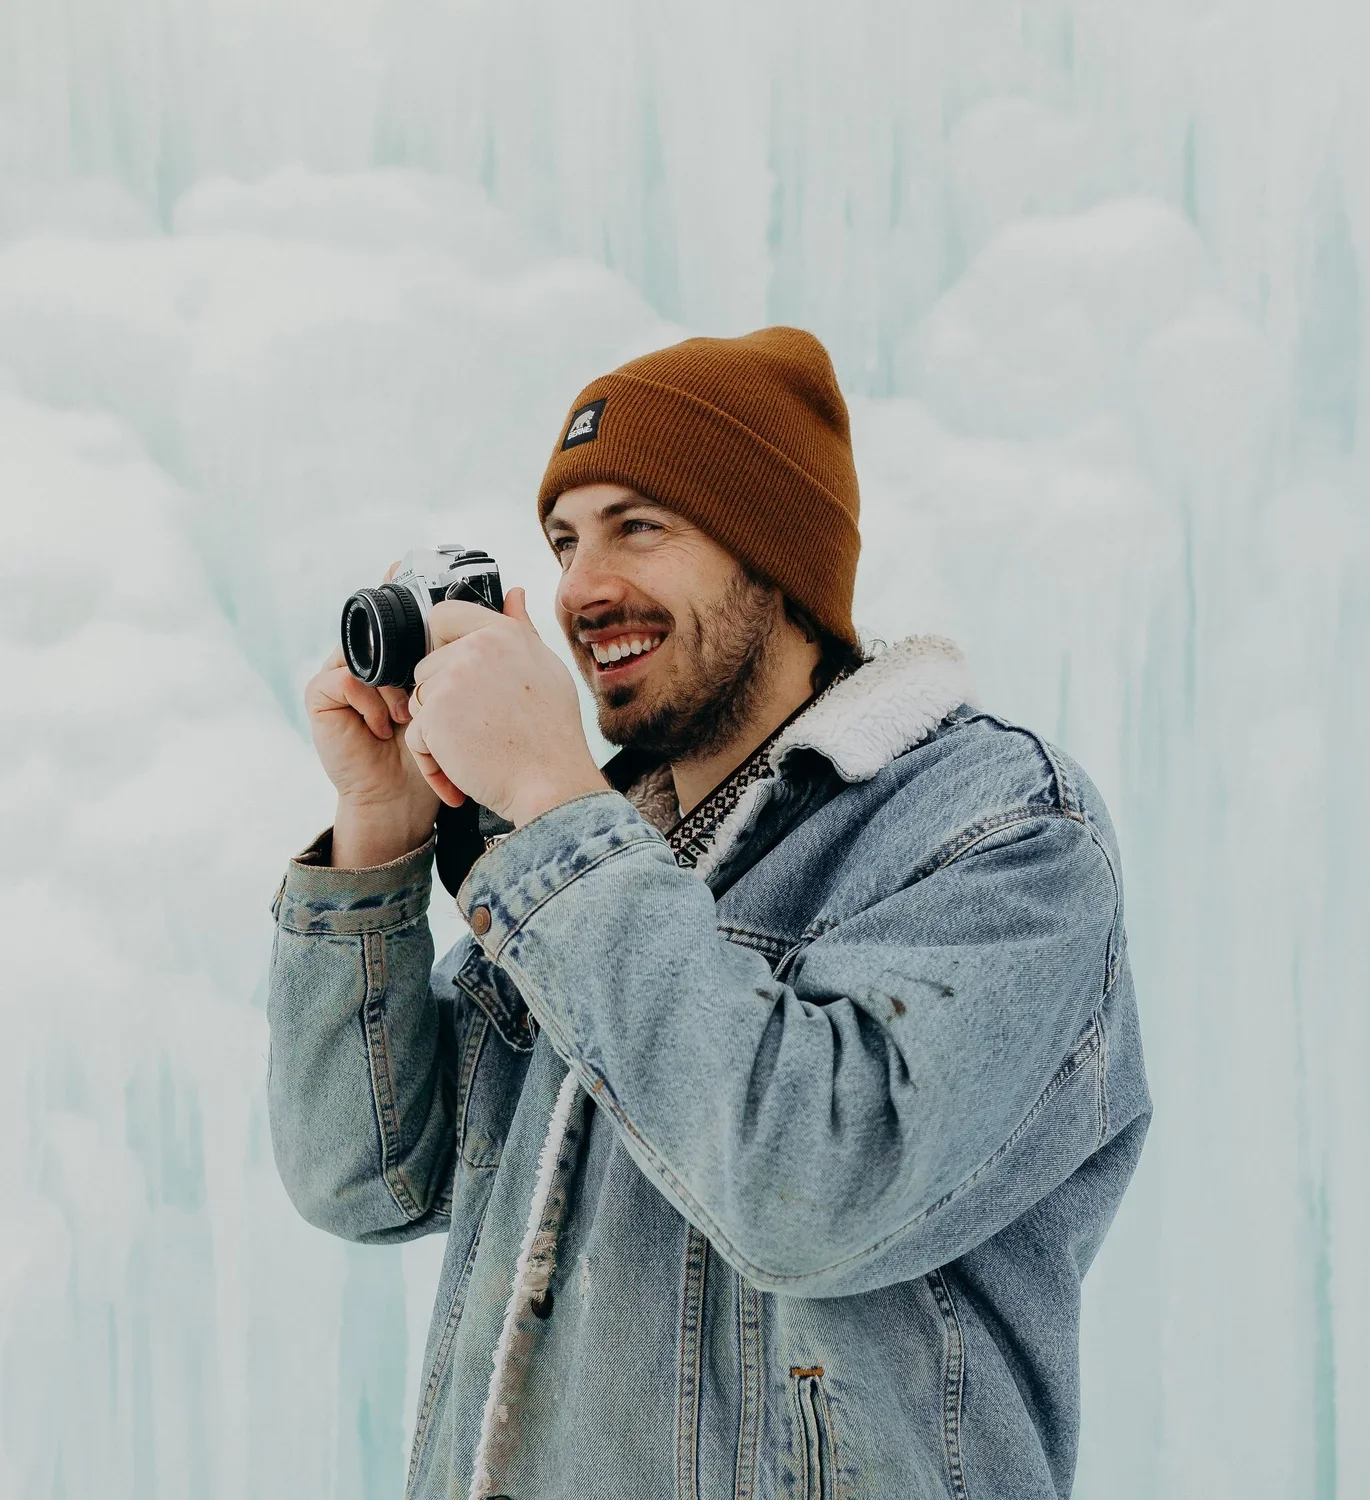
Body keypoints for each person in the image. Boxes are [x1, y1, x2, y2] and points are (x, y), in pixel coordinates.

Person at [266, 327, 1151, 1500]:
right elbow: (369, 1182)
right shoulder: (595, 863)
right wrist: (379, 827)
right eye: (565, 542)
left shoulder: (1004, 831)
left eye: (642, 526)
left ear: (773, 555)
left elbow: (812, 1185)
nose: (583, 589)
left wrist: (551, 801)